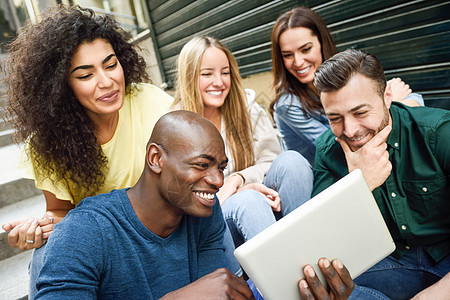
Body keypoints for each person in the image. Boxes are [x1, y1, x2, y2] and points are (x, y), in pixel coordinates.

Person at [34, 110, 355, 299]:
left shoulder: (205, 213)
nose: (217, 180)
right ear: (156, 159)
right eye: (201, 165)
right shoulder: (84, 232)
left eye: (221, 167)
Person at [1, 5, 173, 298]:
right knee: (46, 255)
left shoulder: (151, 102)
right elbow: (60, 212)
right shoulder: (45, 144)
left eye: (110, 64)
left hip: (163, 232)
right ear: (61, 86)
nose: (106, 82)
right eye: (85, 75)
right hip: (105, 246)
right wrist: (41, 229)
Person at [312, 49, 449, 299]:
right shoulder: (327, 150)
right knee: (321, 289)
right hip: (391, 266)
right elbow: (323, 242)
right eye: (335, 118)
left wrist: (435, 294)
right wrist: (358, 184)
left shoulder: (437, 132)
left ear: (387, 97)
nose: (350, 130)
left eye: (360, 112)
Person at [171, 36, 313, 247]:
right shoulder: (176, 127)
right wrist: (236, 192)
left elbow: (270, 161)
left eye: (225, 72)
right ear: (190, 77)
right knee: (248, 201)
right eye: (207, 74)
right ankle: (283, 269)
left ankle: (307, 248)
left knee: (294, 161)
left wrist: (238, 179)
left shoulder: (247, 109)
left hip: (260, 203)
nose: (219, 82)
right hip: (215, 219)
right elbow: (183, 201)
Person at [270, 7, 424, 166]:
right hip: (326, 178)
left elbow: (415, 100)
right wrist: (389, 107)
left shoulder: (348, 73)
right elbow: (341, 146)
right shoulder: (287, 105)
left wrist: (393, 105)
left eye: (306, 49)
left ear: (322, 43)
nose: (298, 62)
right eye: (288, 55)